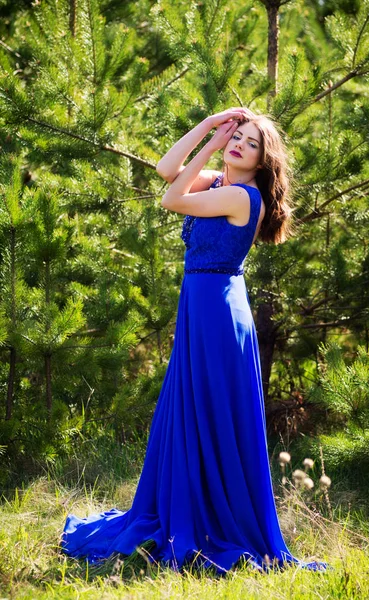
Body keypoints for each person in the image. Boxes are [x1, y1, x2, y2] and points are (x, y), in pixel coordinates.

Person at [61, 108, 330, 575]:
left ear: (264, 161)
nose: (239, 143)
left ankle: (212, 524)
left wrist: (212, 144)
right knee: (191, 410)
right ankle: (191, 511)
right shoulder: (217, 184)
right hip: (201, 306)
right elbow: (168, 170)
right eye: (237, 136)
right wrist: (211, 123)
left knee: (209, 412)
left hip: (218, 315)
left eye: (250, 142)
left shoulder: (242, 197)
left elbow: (171, 199)